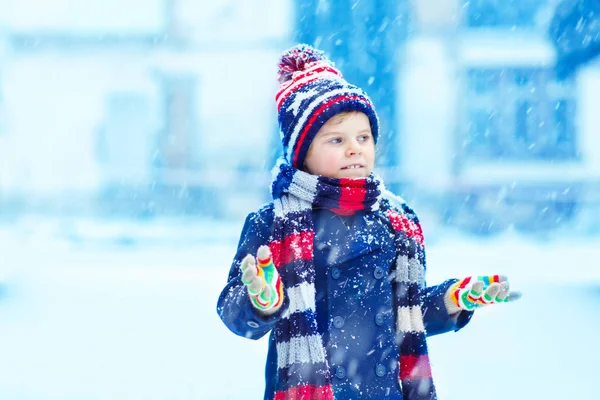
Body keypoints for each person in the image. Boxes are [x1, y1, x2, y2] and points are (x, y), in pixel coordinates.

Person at [216, 44, 520, 400]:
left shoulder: (395, 221)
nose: (354, 148)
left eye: (363, 138)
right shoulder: (274, 223)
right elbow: (234, 313)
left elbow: (406, 315)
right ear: (302, 152)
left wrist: (454, 298)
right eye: (336, 139)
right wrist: (262, 300)